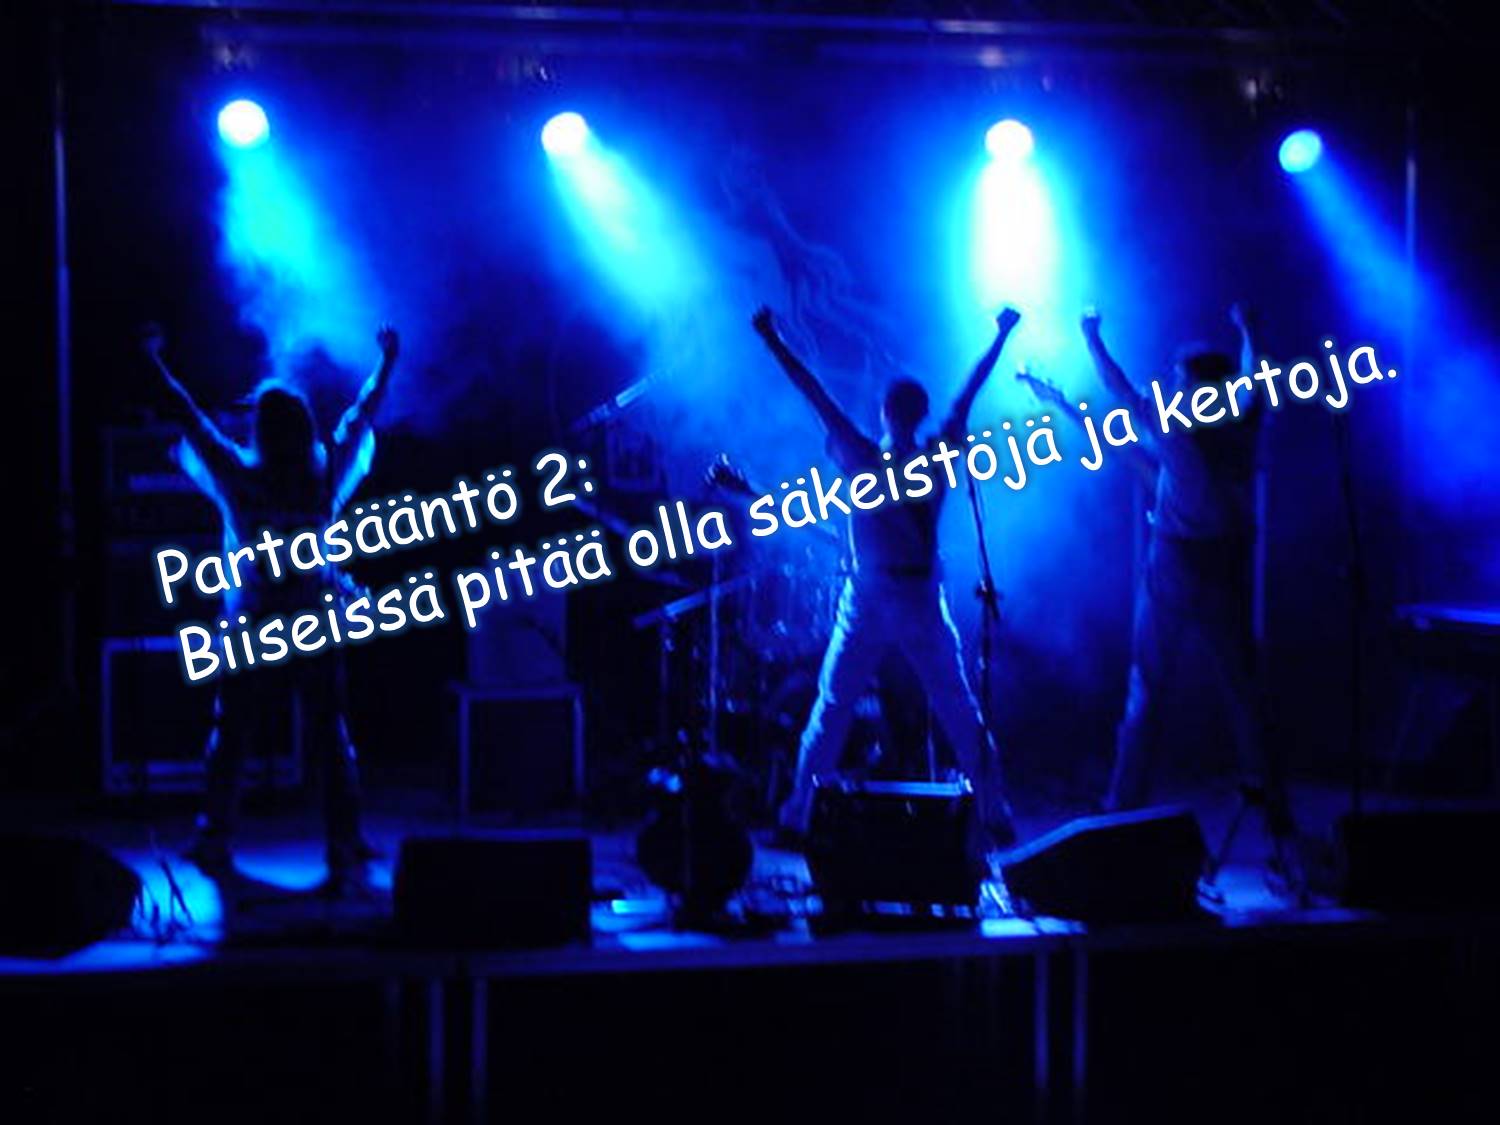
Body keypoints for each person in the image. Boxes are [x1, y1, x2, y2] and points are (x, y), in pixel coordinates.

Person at [751, 305, 1022, 845]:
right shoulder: (935, 451)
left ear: (883, 411)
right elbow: (968, 392)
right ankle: (995, 813)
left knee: (834, 706)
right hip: (916, 591)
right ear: (920, 413)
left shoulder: (859, 451)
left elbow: (812, 391)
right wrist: (1000, 335)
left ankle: (797, 815)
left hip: (874, 593)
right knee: (956, 705)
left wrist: (773, 338)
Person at [140, 323, 399, 887]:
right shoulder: (323, 478)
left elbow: (188, 416)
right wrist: (386, 362)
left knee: (232, 733)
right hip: (311, 622)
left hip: (253, 625)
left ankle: (214, 836)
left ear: (260, 429)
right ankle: (344, 839)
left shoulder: (239, 477)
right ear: (304, 428)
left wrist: (153, 361)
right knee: (328, 733)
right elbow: (362, 415)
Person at [1024, 305, 1292, 836]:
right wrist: (1250, 329)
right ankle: (1278, 818)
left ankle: (1122, 807)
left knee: (1147, 687)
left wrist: (1092, 337)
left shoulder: (1179, 430)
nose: (1174, 386)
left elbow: (1119, 390)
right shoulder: (1242, 426)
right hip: (1227, 561)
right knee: (1245, 694)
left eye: (1180, 379)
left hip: (1178, 563)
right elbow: (1251, 377)